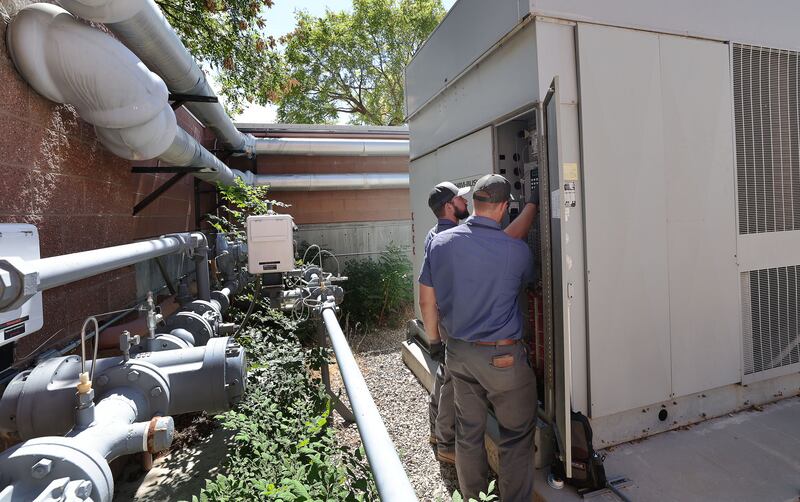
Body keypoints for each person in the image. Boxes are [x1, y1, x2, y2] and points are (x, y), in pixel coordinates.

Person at [419, 174, 538, 501]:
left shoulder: (439, 244)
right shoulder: (517, 251)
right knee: (515, 435)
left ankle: (475, 497)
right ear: (502, 208)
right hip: (502, 361)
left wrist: (434, 342)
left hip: (458, 355)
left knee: (469, 433)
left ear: (472, 204)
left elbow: (426, 300)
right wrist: (534, 205)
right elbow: (521, 273)